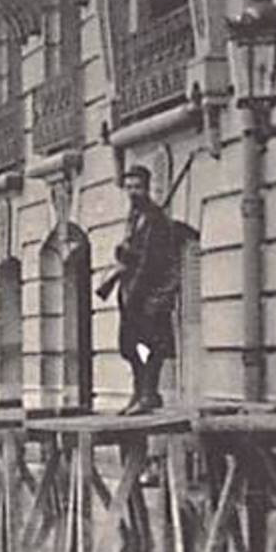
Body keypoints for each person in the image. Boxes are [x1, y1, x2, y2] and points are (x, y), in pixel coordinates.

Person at [99, 165, 183, 415]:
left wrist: (135, 286)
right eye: (129, 188)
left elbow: (152, 261)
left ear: (147, 188)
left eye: (137, 187)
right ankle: (138, 392)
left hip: (149, 295)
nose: (133, 192)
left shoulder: (155, 218)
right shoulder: (134, 217)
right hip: (132, 294)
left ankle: (149, 394)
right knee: (132, 347)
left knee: (149, 347)